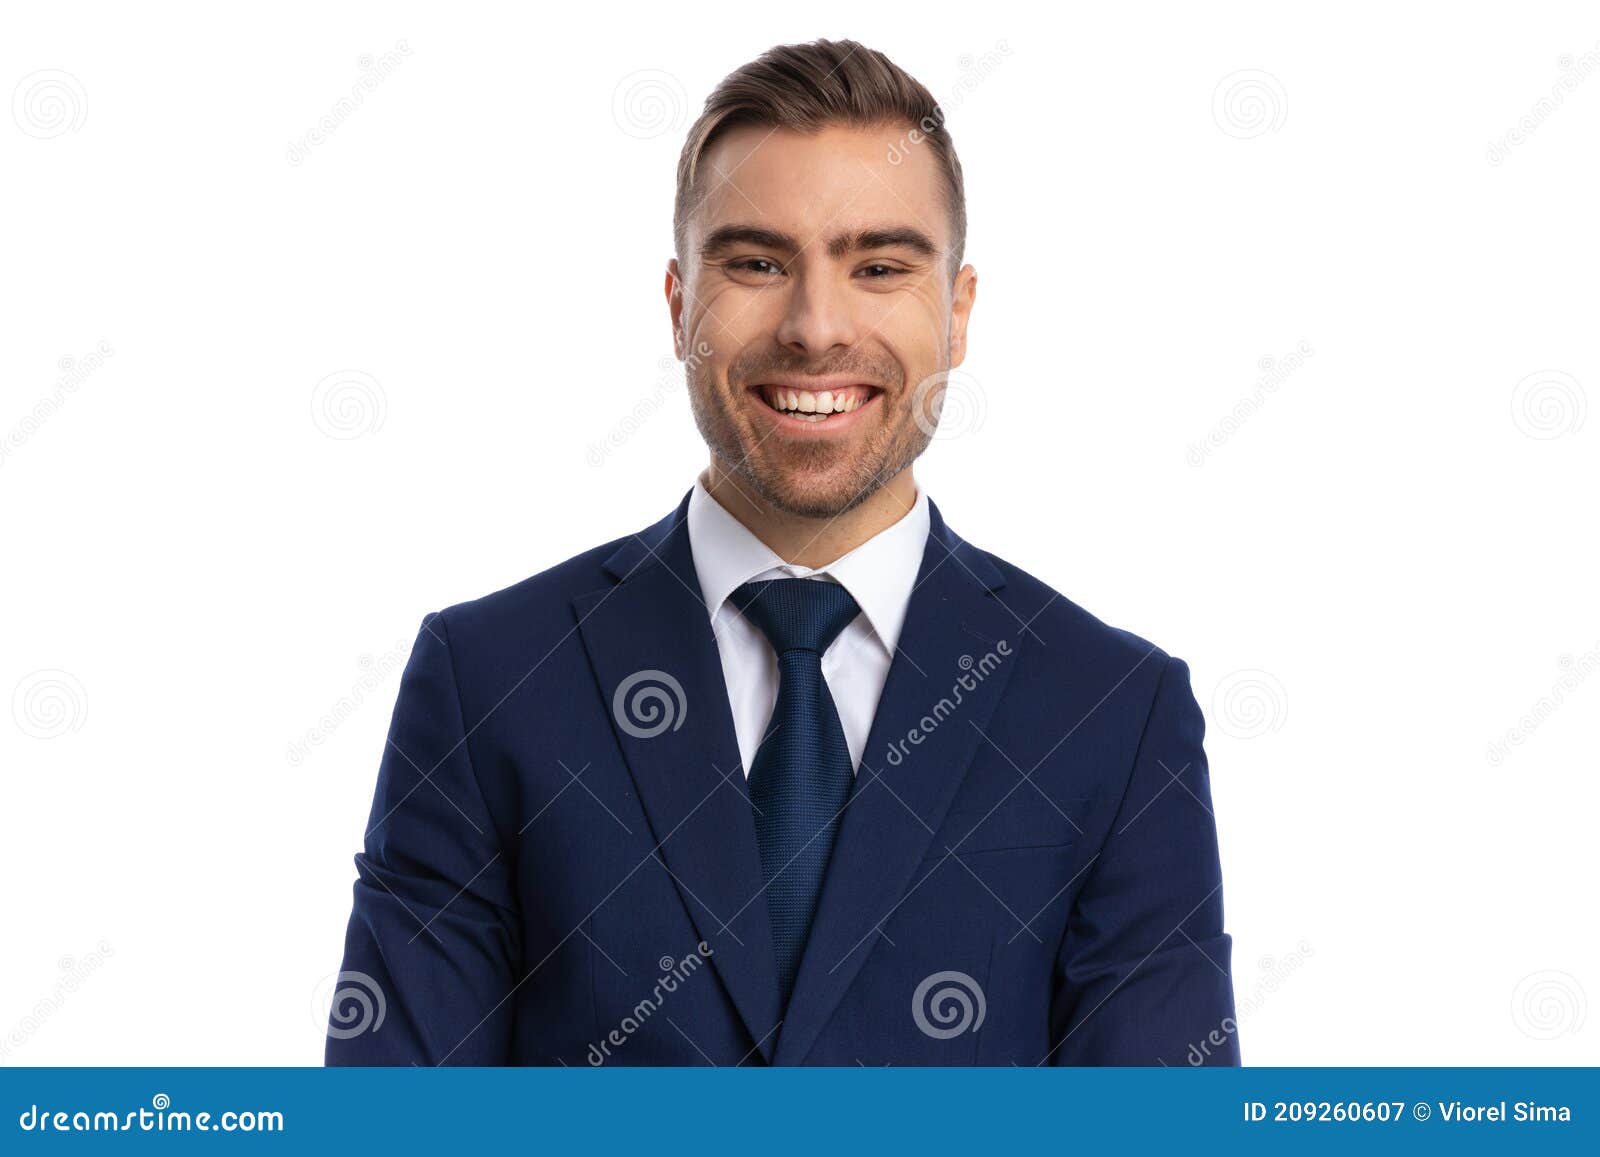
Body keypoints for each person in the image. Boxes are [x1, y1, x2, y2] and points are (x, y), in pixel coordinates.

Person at [326, 37, 1239, 1067]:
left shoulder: (1112, 709)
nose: (814, 326)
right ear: (679, 306)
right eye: (756, 263)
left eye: (880, 267)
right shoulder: (487, 678)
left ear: (958, 311)